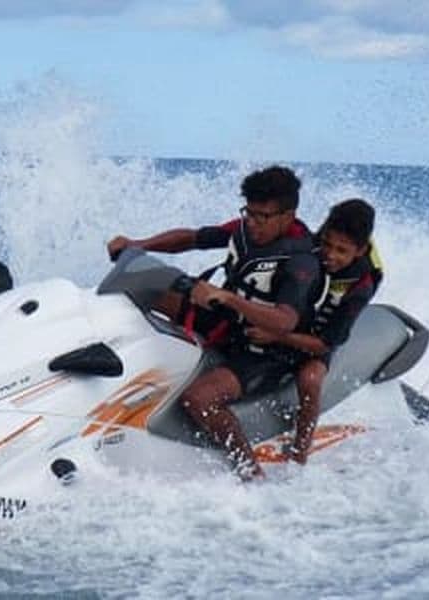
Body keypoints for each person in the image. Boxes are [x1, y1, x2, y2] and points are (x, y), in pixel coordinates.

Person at [107, 166, 321, 479]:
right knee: (142, 286)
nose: (253, 222)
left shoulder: (302, 261)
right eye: (249, 212)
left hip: (269, 349)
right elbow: (193, 239)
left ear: (288, 216)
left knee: (200, 399)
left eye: (263, 216)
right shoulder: (246, 229)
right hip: (228, 321)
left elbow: (285, 321)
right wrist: (139, 244)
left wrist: (229, 299)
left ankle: (251, 472)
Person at [247, 198, 382, 465]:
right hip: (297, 309)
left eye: (341, 251)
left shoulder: (362, 285)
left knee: (309, 379)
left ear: (360, 250)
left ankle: (300, 454)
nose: (330, 255)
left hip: (323, 331)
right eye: (328, 244)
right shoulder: (313, 244)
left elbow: (324, 345)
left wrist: (278, 336)